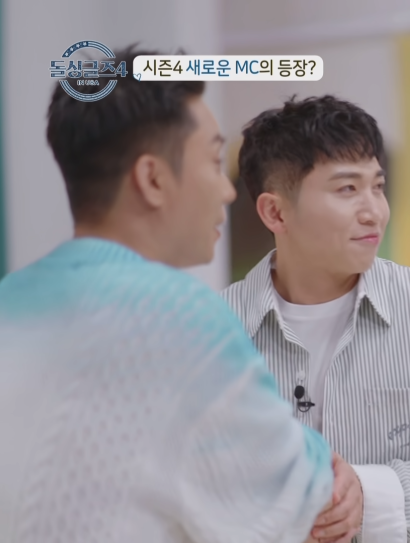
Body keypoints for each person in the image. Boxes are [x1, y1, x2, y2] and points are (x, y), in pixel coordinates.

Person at [0, 46, 334, 543]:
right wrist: (325, 462)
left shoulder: (10, 299)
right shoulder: (178, 315)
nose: (228, 191)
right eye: (214, 160)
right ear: (152, 179)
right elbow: (295, 496)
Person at [222, 95, 410, 543]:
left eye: (377, 187)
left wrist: (372, 497)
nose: (374, 211)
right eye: (347, 189)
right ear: (276, 212)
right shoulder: (213, 333)